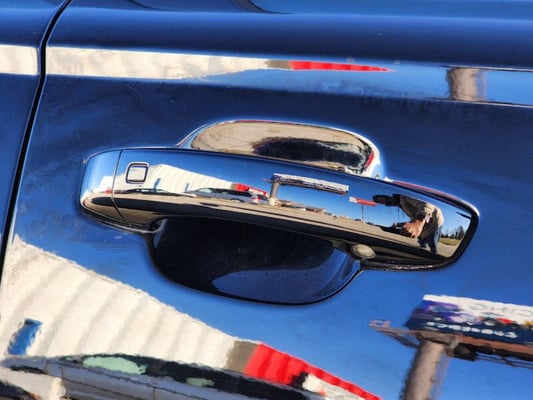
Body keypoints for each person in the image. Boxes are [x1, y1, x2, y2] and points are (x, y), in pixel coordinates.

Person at [373, 194, 444, 253]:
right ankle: (422, 252)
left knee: (432, 242)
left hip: (434, 222)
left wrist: (418, 222)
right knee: (421, 239)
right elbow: (412, 220)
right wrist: (398, 224)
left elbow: (428, 205)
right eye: (385, 203)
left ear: (389, 196)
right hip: (424, 222)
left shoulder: (405, 196)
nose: (388, 203)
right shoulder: (402, 205)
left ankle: (434, 254)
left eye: (386, 200)